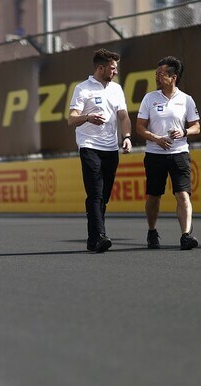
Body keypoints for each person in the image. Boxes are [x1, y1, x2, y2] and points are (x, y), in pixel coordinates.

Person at [67, 49, 132, 253]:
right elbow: (71, 119)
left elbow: (123, 116)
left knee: (103, 196)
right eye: (112, 68)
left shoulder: (117, 89)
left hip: (111, 148)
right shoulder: (82, 89)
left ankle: (92, 238)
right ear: (100, 68)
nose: (115, 71)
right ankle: (101, 235)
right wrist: (87, 118)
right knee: (95, 193)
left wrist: (127, 137)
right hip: (89, 146)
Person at [136, 56, 201, 250]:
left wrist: (185, 132)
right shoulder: (149, 98)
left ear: (173, 77)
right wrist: (156, 138)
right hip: (155, 154)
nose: (157, 77)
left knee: (183, 195)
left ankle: (186, 235)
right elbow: (140, 127)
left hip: (179, 153)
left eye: (161, 74)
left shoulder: (186, 99)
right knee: (154, 196)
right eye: (156, 74)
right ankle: (152, 230)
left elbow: (196, 126)